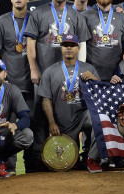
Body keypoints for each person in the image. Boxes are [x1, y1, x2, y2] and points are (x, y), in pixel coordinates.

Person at [0, 0, 35, 173]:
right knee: (9, 129)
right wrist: (0, 77)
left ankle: (32, 168)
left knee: (31, 126)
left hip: (32, 84)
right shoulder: (1, 22)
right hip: (9, 85)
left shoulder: (35, 18)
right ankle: (8, 167)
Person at [38, 34, 102, 172]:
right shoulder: (50, 72)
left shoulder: (88, 68)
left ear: (78, 48)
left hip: (83, 115)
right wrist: (51, 122)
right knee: (65, 165)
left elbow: (99, 95)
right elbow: (46, 99)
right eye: (65, 45)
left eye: (72, 45)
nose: (69, 48)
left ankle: (92, 159)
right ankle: (77, 161)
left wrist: (95, 80)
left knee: (98, 120)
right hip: (63, 121)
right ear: (61, 48)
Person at [26, 0, 90, 87]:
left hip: (69, 73)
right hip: (43, 72)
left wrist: (79, 69)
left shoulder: (77, 16)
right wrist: (33, 69)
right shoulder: (37, 13)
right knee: (42, 103)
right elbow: (30, 43)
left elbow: (82, 44)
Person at [82, 0, 124, 81]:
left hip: (116, 76)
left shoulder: (122, 16)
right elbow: (80, 47)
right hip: (91, 75)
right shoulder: (85, 16)